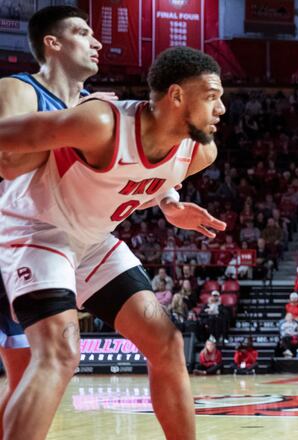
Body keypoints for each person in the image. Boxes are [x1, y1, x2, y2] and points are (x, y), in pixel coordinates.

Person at [0, 47, 227, 440]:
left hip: (91, 241)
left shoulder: (200, 153)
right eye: (211, 96)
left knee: (167, 344)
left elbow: (159, 175)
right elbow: (13, 135)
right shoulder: (103, 122)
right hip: (35, 227)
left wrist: (170, 205)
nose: (221, 108)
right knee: (60, 353)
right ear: (176, 96)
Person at [0, 6, 116, 435]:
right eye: (83, 33)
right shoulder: (18, 87)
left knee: (31, 373)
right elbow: (9, 159)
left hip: (38, 240)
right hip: (10, 233)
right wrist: (79, 136)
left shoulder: (90, 107)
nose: (98, 42)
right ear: (53, 43)